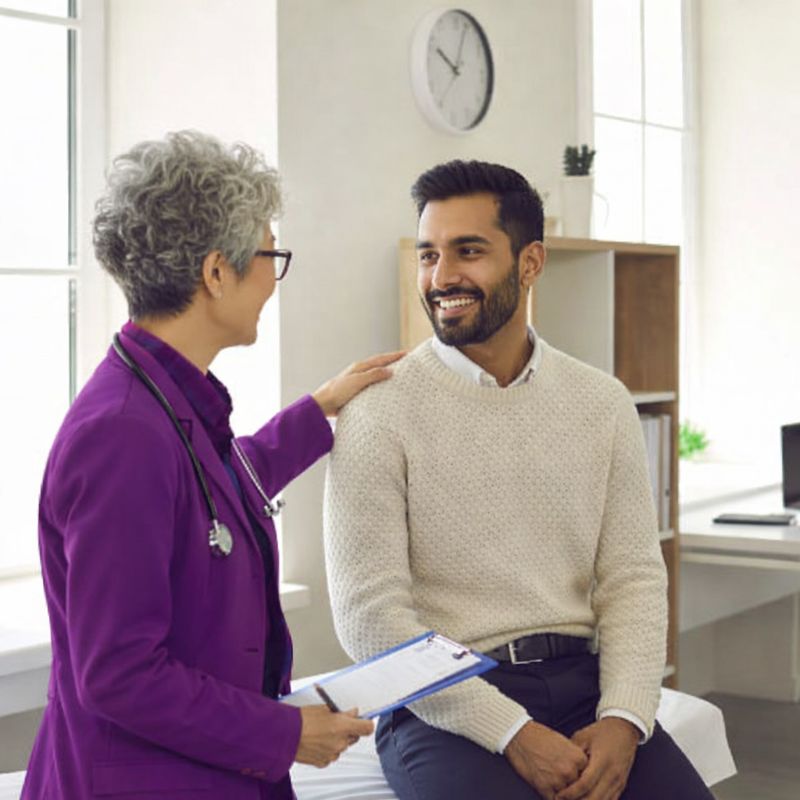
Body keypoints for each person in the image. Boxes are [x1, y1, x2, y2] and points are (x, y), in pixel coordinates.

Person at [22, 131, 401, 800]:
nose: (271, 280)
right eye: (268, 255)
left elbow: (209, 495)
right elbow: (119, 674)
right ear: (216, 272)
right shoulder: (121, 434)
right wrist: (286, 735)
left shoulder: (162, 399)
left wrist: (319, 410)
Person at [323, 160, 713, 800]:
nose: (441, 276)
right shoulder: (377, 413)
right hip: (439, 702)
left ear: (531, 263)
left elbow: (633, 578)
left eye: (467, 251)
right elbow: (371, 619)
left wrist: (624, 716)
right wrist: (512, 732)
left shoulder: (601, 402)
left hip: (583, 685)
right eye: (429, 255)